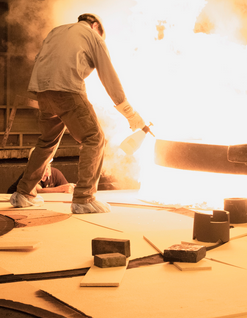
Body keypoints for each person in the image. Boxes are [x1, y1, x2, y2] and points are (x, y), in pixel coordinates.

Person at [10, 13, 146, 213]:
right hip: (67, 91)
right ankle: (84, 198)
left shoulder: (56, 31)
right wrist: (130, 113)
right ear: (95, 25)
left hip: (43, 93)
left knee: (47, 142)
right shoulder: (93, 36)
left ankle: (23, 193)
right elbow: (108, 76)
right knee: (94, 138)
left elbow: (40, 60)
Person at [7, 149, 75, 194]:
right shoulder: (29, 174)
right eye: (44, 165)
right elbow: (38, 191)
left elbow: (67, 189)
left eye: (49, 164)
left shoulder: (56, 173)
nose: (47, 167)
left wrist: (71, 188)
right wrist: (62, 189)